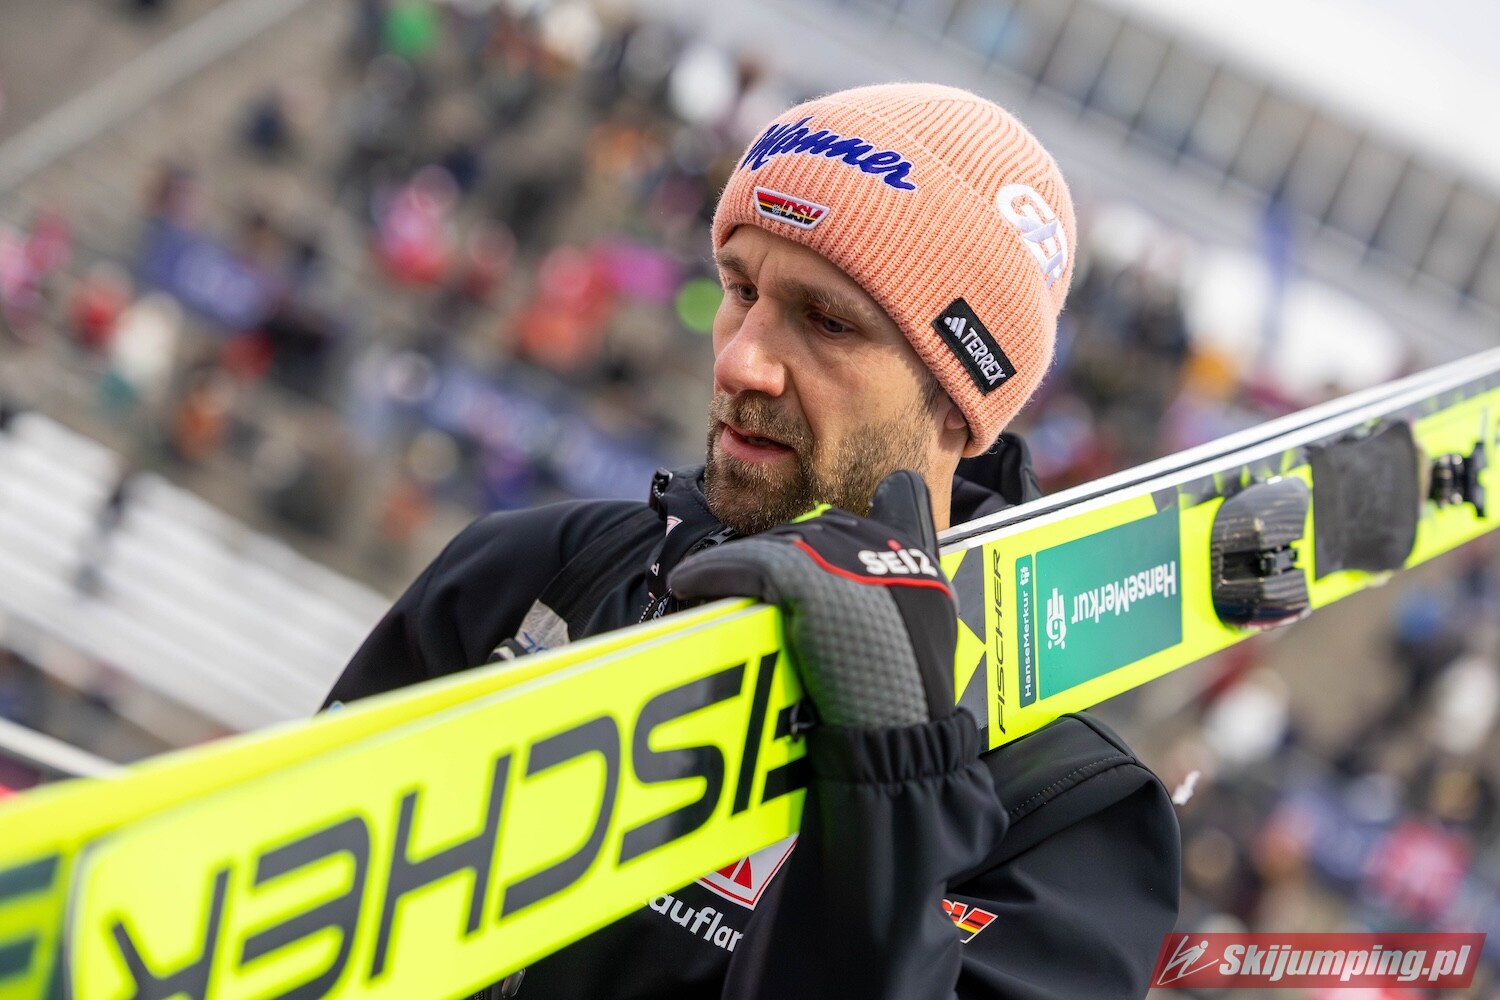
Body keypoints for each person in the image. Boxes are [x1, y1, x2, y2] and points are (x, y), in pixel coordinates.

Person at [326, 83, 1180, 999]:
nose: (740, 359)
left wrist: (893, 768)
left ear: (961, 398)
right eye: (740, 290)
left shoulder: (1072, 807)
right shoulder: (537, 572)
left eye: (828, 321)